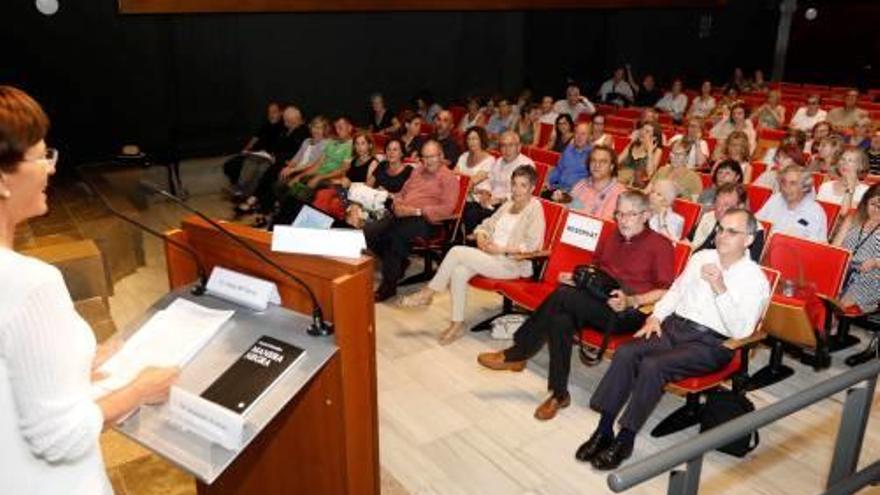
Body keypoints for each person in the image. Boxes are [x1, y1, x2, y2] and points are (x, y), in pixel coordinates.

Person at [0, 86, 179, 495]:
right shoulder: (29, 284)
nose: (51, 168)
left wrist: (76, 362)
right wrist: (139, 391)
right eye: (42, 156)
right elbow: (59, 438)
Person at [578, 208, 769, 470]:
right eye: (720, 229)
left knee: (653, 365)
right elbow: (676, 291)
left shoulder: (755, 279)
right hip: (674, 328)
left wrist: (720, 288)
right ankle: (603, 431)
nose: (722, 236)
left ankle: (625, 438)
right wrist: (656, 317)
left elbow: (742, 331)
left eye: (732, 232)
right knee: (626, 353)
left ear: (748, 239)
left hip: (713, 344)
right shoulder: (702, 257)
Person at [477, 191, 675, 421]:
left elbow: (666, 290)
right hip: (597, 301)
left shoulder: (660, 245)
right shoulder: (612, 236)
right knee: (561, 318)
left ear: (646, 215)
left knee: (562, 297)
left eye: (630, 215)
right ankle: (559, 394)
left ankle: (518, 352)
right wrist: (575, 278)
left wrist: (633, 300)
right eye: (619, 214)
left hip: (629, 312)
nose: (623, 220)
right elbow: (596, 271)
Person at [397, 166, 545, 344]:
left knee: (456, 251)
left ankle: (428, 292)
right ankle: (456, 324)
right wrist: (482, 236)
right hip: (491, 256)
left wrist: (502, 249)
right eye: (514, 184)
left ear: (532, 188)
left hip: (511, 263)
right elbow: (487, 224)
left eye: (522, 185)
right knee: (459, 271)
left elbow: (532, 245)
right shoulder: (508, 204)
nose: (516, 189)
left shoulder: (535, 209)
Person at [368, 140, 460, 302]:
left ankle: (389, 285)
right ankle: (399, 262)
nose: (428, 161)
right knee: (370, 231)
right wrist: (397, 203)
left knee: (393, 234)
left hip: (429, 221)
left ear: (441, 156)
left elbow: (448, 209)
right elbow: (403, 192)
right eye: (425, 157)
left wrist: (415, 211)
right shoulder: (418, 171)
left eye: (432, 156)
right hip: (404, 214)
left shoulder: (448, 177)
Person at [462, 131, 534, 233]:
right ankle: (467, 241)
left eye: (510, 145)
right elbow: (489, 180)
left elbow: (524, 193)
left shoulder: (526, 164)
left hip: (509, 205)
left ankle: (476, 243)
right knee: (466, 206)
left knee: (473, 215)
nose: (506, 149)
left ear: (519, 147)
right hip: (491, 201)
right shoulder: (499, 161)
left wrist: (499, 200)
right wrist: (486, 192)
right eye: (503, 145)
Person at [831, 184, 880, 313]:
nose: (876, 210)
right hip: (841, 272)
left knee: (837, 305)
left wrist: (876, 262)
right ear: (865, 203)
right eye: (873, 204)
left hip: (870, 279)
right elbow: (834, 249)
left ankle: (830, 328)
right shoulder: (853, 219)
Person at [692, 183, 765, 261]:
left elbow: (749, 265)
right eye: (717, 203)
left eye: (726, 205)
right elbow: (693, 245)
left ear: (740, 207)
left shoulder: (754, 230)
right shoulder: (711, 217)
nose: (719, 209)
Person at [756, 164, 828, 242]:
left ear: (804, 187)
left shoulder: (816, 212)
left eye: (793, 183)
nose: (786, 188)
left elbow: (814, 246)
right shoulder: (776, 199)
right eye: (784, 183)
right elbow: (756, 224)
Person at [223, 101, 284, 185]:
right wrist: (246, 149)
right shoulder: (265, 125)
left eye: (274, 112)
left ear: (281, 113)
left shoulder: (283, 127)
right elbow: (255, 138)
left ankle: (244, 188)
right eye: (269, 112)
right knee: (230, 164)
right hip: (254, 153)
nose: (271, 115)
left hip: (264, 156)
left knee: (251, 167)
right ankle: (237, 186)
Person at [568, 145, 628, 220]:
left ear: (611, 167)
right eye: (593, 160)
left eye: (603, 162)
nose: (597, 165)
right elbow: (567, 208)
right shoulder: (581, 184)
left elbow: (606, 224)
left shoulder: (620, 194)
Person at [817, 146, 870, 216]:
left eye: (851, 161)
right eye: (842, 159)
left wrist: (850, 187)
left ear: (861, 166)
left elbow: (844, 215)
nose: (845, 163)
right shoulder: (826, 186)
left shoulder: (866, 192)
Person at [544, 122, 591, 197]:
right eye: (577, 133)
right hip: (558, 188)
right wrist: (548, 181)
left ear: (589, 137)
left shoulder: (592, 155)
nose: (579, 137)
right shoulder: (568, 150)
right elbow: (559, 169)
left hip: (576, 194)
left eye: (583, 134)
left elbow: (592, 181)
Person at [618, 121, 663, 189]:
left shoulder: (657, 151)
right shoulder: (632, 145)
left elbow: (650, 174)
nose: (642, 132)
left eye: (647, 131)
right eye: (642, 129)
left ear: (654, 138)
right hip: (620, 180)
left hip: (637, 187)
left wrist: (649, 151)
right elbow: (616, 161)